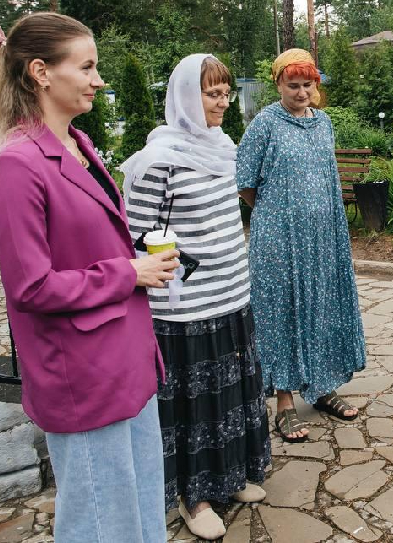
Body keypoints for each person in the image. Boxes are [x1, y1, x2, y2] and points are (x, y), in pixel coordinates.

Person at [0, 12, 180, 543]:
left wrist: (143, 264)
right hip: (82, 374)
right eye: (87, 67)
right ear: (41, 71)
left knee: (139, 510)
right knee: (99, 519)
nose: (98, 79)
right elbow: (32, 287)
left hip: (127, 360)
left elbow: (90, 241)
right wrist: (127, 273)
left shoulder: (80, 147)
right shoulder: (15, 167)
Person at [121, 54, 271, 539]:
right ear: (187, 95)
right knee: (195, 406)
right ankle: (195, 496)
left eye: (226, 92)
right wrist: (176, 264)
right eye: (212, 93)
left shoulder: (222, 147)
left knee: (232, 395)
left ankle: (230, 478)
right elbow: (136, 231)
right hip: (186, 308)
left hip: (231, 296)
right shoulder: (158, 160)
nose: (223, 102)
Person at [236, 48, 366, 443]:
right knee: (283, 311)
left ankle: (322, 387)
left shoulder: (323, 123)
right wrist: (278, 215)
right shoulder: (264, 124)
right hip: (278, 240)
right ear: (277, 84)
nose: (301, 92)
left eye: (307, 84)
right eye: (293, 85)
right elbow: (245, 181)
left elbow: (326, 177)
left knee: (324, 305)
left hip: (324, 238)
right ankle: (285, 402)